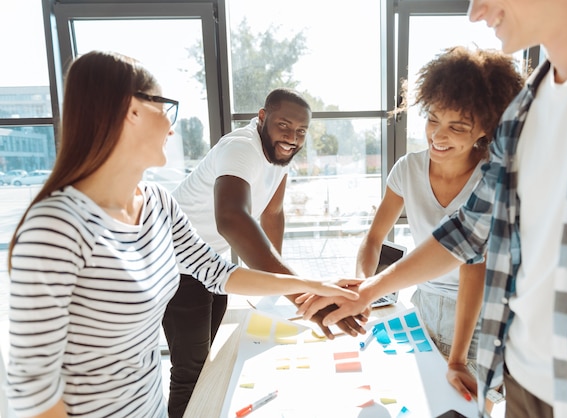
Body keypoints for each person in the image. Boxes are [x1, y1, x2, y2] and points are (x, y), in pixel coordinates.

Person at [298, 1, 567, 417]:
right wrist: (368, 291)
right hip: (524, 376)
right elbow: (469, 232)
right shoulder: (523, 109)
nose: (475, 11)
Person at [4, 50, 359, 418]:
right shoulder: (55, 227)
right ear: (132, 112)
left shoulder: (157, 204)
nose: (172, 128)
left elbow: (220, 273)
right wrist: (302, 289)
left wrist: (314, 289)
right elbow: (34, 390)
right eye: (165, 108)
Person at [165, 87, 366, 417]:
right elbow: (231, 218)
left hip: (210, 263)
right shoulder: (242, 147)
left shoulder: (279, 157)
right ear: (262, 117)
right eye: (284, 125)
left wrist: (275, 285)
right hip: (177, 265)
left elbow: (271, 213)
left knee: (210, 365)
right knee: (191, 373)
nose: (292, 137)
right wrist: (296, 291)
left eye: (301, 131)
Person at [354, 45, 523, 397]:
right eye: (432, 119)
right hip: (425, 307)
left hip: (477, 320)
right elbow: (373, 240)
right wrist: (363, 289)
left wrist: (458, 357)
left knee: (475, 404)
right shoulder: (408, 169)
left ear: (485, 129)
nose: (438, 135)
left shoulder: (492, 178)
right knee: (421, 400)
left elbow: (473, 265)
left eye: (456, 127)